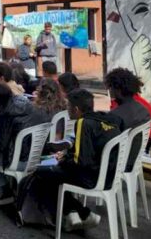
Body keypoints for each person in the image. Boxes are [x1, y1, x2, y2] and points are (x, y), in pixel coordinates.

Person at [27, 89, 122, 231]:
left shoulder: (83, 123)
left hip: (91, 178)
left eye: (68, 107)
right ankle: (75, 214)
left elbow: (81, 161)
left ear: (76, 109)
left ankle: (77, 213)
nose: (67, 110)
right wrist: (67, 157)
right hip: (109, 176)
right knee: (55, 173)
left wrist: (62, 160)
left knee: (43, 173)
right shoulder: (107, 120)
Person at [0, 82, 44, 206]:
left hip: (17, 160)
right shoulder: (27, 104)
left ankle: (5, 190)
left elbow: (2, 144)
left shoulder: (4, 114)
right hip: (36, 157)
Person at [107, 68, 151, 170]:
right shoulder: (143, 110)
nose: (109, 90)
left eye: (110, 87)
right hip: (134, 159)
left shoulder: (115, 116)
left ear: (118, 90)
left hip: (119, 163)